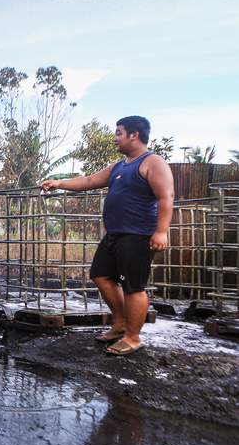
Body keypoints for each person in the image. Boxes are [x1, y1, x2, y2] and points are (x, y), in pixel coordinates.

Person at [41, 116, 174, 355]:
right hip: (115, 234)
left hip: (138, 235)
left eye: (118, 133)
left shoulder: (153, 162)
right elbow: (89, 181)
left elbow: (166, 196)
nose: (115, 137)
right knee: (100, 275)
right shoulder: (120, 166)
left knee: (134, 286)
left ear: (134, 134)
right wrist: (58, 183)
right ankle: (121, 322)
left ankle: (133, 337)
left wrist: (161, 231)